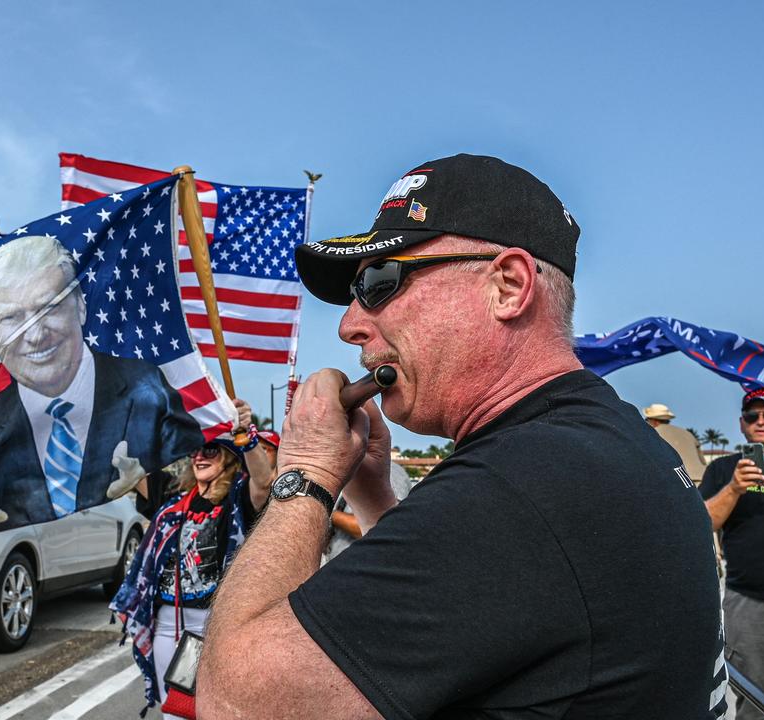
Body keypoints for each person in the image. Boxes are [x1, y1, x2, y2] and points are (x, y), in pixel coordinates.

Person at [198, 154, 726, 718]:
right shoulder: (598, 438)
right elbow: (467, 608)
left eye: (379, 282)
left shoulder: (522, 486)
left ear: (508, 286)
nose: (350, 325)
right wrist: (371, 491)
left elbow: (235, 701)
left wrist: (305, 471)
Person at [0, 235, 204, 559]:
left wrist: (232, 432)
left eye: (50, 307)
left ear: (81, 305)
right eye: (11, 318)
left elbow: (187, 492)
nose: (35, 334)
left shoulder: (152, 392)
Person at [110, 420, 275, 716]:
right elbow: (130, 467)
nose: (199, 456)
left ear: (227, 457)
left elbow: (264, 482)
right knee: (174, 709)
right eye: (195, 451)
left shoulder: (237, 501)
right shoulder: (172, 502)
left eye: (210, 450)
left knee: (216, 710)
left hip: (215, 624)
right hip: (167, 624)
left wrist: (246, 436)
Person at [699, 387, 764, 720]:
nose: (761, 422)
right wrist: (734, 488)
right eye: (752, 416)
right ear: (741, 424)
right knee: (755, 703)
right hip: (747, 602)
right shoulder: (724, 469)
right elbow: (703, 522)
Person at [644, 402, 709, 483]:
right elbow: (703, 461)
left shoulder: (653, 434)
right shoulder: (687, 434)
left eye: (647, 420)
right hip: (702, 480)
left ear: (654, 421)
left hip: (679, 482)